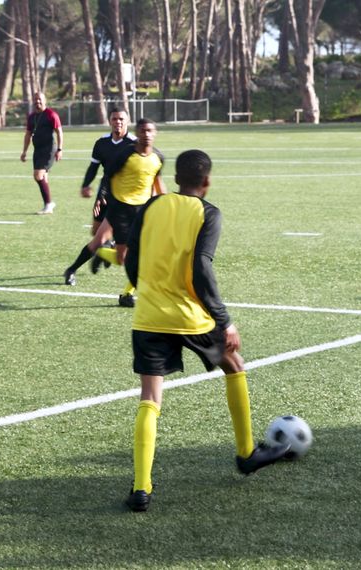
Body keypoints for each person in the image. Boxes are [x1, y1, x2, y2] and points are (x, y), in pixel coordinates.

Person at [122, 149, 289, 512]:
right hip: (191, 316)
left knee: (150, 399)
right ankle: (246, 453)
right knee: (234, 365)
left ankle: (141, 488)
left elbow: (131, 259)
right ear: (207, 181)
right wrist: (224, 319)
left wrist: (144, 288)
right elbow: (201, 268)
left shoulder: (152, 206)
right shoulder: (208, 213)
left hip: (149, 315)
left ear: (176, 177)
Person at [93, 117, 165, 306]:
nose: (146, 134)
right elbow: (108, 175)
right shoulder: (125, 154)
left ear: (155, 133)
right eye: (143, 131)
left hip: (144, 210)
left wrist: (165, 201)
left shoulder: (158, 157)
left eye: (150, 131)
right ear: (137, 133)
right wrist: (102, 196)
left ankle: (127, 294)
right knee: (123, 258)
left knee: (147, 255)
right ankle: (102, 253)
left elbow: (157, 181)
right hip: (121, 208)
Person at [61, 107, 136, 286]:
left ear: (127, 121)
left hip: (125, 200)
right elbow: (94, 167)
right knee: (96, 233)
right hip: (105, 194)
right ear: (110, 121)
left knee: (104, 240)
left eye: (121, 119)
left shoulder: (134, 144)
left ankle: (74, 268)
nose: (118, 122)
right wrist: (86, 185)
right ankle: (103, 251)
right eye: (114, 119)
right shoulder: (102, 143)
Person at [20, 91, 63, 215]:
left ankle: (49, 204)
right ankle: (48, 204)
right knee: (43, 177)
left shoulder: (51, 114)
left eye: (39, 99)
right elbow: (28, 134)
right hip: (37, 150)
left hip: (49, 149)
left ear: (45, 101)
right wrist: (24, 152)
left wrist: (60, 149)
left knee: (38, 175)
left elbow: (59, 132)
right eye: (35, 99)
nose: (37, 102)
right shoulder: (31, 116)